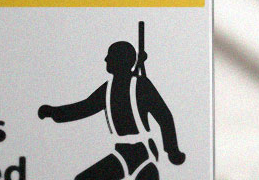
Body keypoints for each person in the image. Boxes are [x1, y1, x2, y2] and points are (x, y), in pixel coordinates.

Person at [39, 39, 186, 180]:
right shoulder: (108, 89)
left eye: (110, 56)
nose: (105, 59)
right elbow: (84, 108)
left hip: (143, 153)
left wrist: (172, 151)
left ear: (120, 59)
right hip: (123, 153)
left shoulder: (141, 85)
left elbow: (164, 117)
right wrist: (53, 113)